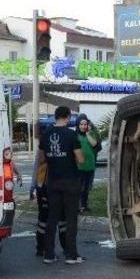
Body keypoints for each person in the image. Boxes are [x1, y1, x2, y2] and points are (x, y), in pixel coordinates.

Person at [41, 106, 84, 265]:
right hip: (70, 181)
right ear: (68, 117)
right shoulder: (72, 135)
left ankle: (48, 254)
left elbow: (42, 159)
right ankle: (71, 255)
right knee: (71, 218)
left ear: (55, 116)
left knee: (52, 217)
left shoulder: (46, 134)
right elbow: (80, 159)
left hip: (52, 181)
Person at [76, 116, 101, 214]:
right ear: (78, 125)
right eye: (81, 124)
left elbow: (94, 144)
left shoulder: (90, 134)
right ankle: (78, 207)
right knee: (79, 188)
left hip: (90, 165)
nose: (83, 126)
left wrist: (87, 134)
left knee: (86, 188)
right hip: (79, 166)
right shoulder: (75, 135)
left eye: (85, 124)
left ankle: (84, 205)